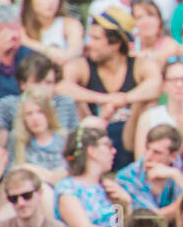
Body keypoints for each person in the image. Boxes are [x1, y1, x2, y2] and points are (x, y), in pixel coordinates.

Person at [56, 10, 161, 170]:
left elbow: (156, 84)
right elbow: (61, 86)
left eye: (96, 39)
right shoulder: (84, 65)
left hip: (130, 138)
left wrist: (124, 99)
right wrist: (104, 99)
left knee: (148, 102)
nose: (89, 44)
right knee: (74, 101)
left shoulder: (137, 65)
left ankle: (143, 169)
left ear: (116, 44)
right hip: (93, 137)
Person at [19, 0, 83, 64]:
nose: (51, 1)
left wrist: (29, 43)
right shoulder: (21, 26)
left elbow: (73, 54)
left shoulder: (70, 24)